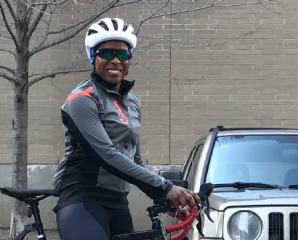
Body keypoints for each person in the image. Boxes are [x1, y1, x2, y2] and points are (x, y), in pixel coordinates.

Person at [53, 17, 200, 240]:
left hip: (119, 202)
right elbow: (107, 155)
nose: (115, 60)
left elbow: (135, 160)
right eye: (106, 53)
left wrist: (166, 199)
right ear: (93, 56)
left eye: (122, 54)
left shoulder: (132, 102)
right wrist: (164, 187)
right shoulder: (82, 99)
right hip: (83, 198)